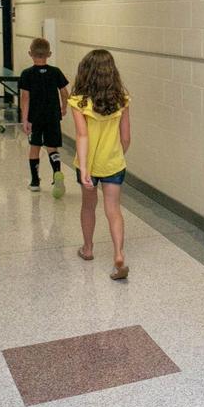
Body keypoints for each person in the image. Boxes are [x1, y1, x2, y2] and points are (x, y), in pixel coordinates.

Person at [68, 49, 131, 280]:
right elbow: (126, 137)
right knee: (113, 210)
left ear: (85, 73)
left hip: (89, 165)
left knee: (88, 206)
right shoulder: (122, 100)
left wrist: (85, 168)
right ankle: (118, 254)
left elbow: (82, 136)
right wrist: (116, 155)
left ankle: (88, 248)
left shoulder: (78, 102)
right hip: (113, 163)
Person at [19, 38, 70, 195]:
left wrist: (25, 119)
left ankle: (35, 181)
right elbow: (64, 92)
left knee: (34, 148)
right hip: (52, 116)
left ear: (30, 54)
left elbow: (25, 98)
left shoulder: (27, 74)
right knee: (52, 147)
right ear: (49, 54)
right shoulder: (55, 72)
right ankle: (57, 175)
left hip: (35, 118)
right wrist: (64, 107)